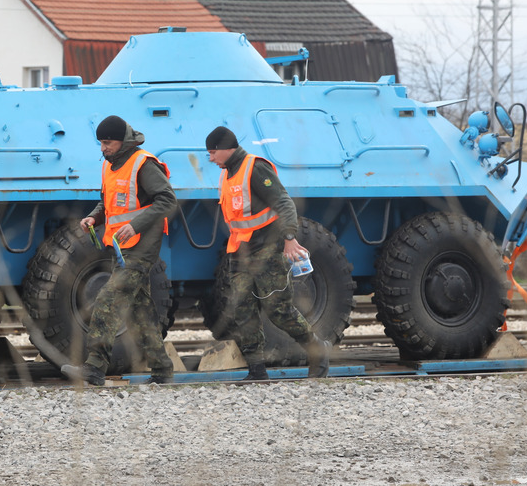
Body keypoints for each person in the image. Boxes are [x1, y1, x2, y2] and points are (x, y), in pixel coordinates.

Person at [60, 115, 178, 386]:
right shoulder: (110, 166)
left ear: (122, 141)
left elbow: (168, 200)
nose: (103, 148)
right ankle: (162, 371)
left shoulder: (143, 163)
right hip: (121, 249)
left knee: (106, 300)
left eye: (108, 143)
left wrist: (136, 226)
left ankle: (94, 368)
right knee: (141, 311)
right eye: (101, 143)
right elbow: (109, 204)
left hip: (141, 248)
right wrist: (94, 217)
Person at [205, 126, 330, 380]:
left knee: (277, 310)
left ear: (227, 149)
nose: (210, 158)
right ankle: (257, 370)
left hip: (267, 249)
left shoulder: (254, 168)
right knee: (242, 309)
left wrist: (289, 238)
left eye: (212, 152)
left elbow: (283, 202)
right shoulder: (227, 174)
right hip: (240, 252)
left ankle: (318, 349)